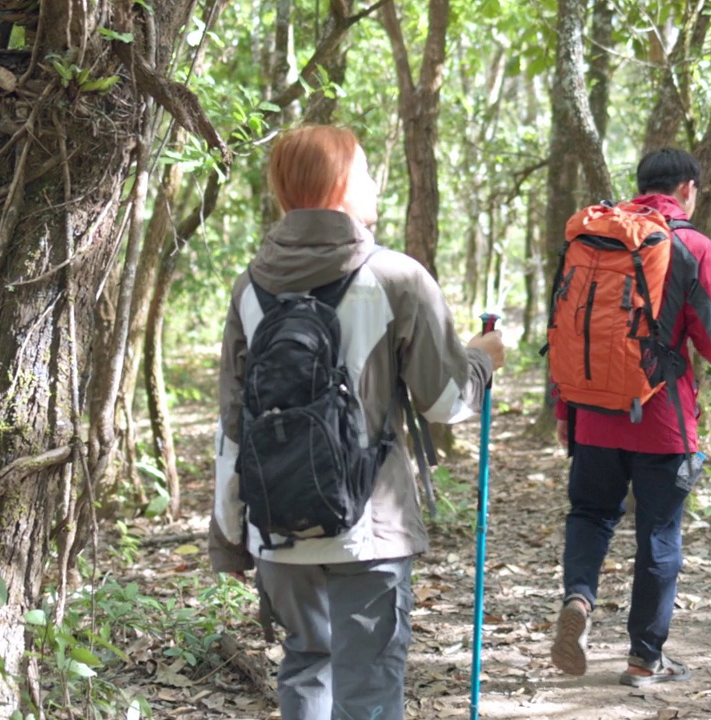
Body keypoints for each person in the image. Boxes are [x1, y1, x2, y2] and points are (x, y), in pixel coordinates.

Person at [209, 125, 506, 720]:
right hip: (369, 526)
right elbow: (447, 404)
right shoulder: (396, 277)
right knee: (368, 686)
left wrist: (231, 537)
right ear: (340, 183)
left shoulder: (249, 287)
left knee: (304, 665)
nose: (375, 184)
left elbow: (232, 428)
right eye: (366, 171)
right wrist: (483, 360)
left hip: (277, 528)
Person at [550, 148, 711, 686]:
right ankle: (644, 658)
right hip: (664, 421)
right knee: (659, 533)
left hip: (592, 413)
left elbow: (570, 328)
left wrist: (564, 408)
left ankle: (579, 600)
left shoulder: (591, 239)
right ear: (687, 188)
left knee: (591, 515)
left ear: (640, 186)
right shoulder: (692, 246)